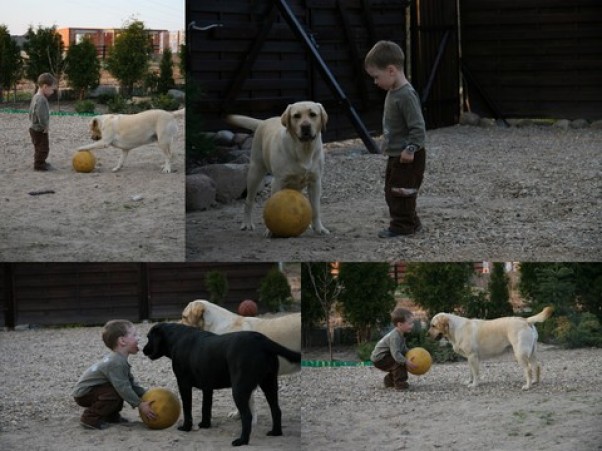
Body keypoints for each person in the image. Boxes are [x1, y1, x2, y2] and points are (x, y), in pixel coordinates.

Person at [364, 40, 427, 238]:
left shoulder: (406, 95)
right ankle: (412, 223)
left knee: (402, 191)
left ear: (391, 70)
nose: (375, 82)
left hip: (408, 155)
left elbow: (418, 127)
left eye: (376, 77)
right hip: (396, 154)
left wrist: (411, 149)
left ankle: (402, 226)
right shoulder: (393, 91)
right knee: (394, 191)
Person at [72, 320, 156, 429]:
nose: (138, 338)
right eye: (134, 335)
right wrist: (140, 404)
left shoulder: (120, 360)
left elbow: (131, 384)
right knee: (116, 392)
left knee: (117, 390)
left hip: (95, 390)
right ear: (122, 341)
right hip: (84, 394)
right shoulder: (116, 363)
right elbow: (124, 388)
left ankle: (111, 416)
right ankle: (90, 418)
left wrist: (147, 395)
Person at [370, 307, 417, 390]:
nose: (412, 325)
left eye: (412, 323)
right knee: (399, 362)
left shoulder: (400, 334)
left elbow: (403, 348)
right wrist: (406, 361)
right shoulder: (395, 336)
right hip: (380, 358)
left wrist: (410, 353)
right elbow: (396, 354)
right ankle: (400, 383)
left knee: (400, 359)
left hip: (386, 356)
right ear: (400, 324)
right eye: (409, 323)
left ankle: (389, 380)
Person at [28, 73, 57, 171]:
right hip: (39, 129)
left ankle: (41, 162)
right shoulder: (41, 99)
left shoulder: (36, 97)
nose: (53, 92)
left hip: (33, 128)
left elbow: (31, 112)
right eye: (52, 89)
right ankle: (39, 165)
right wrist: (45, 126)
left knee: (38, 147)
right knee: (43, 148)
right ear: (45, 87)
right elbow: (41, 115)